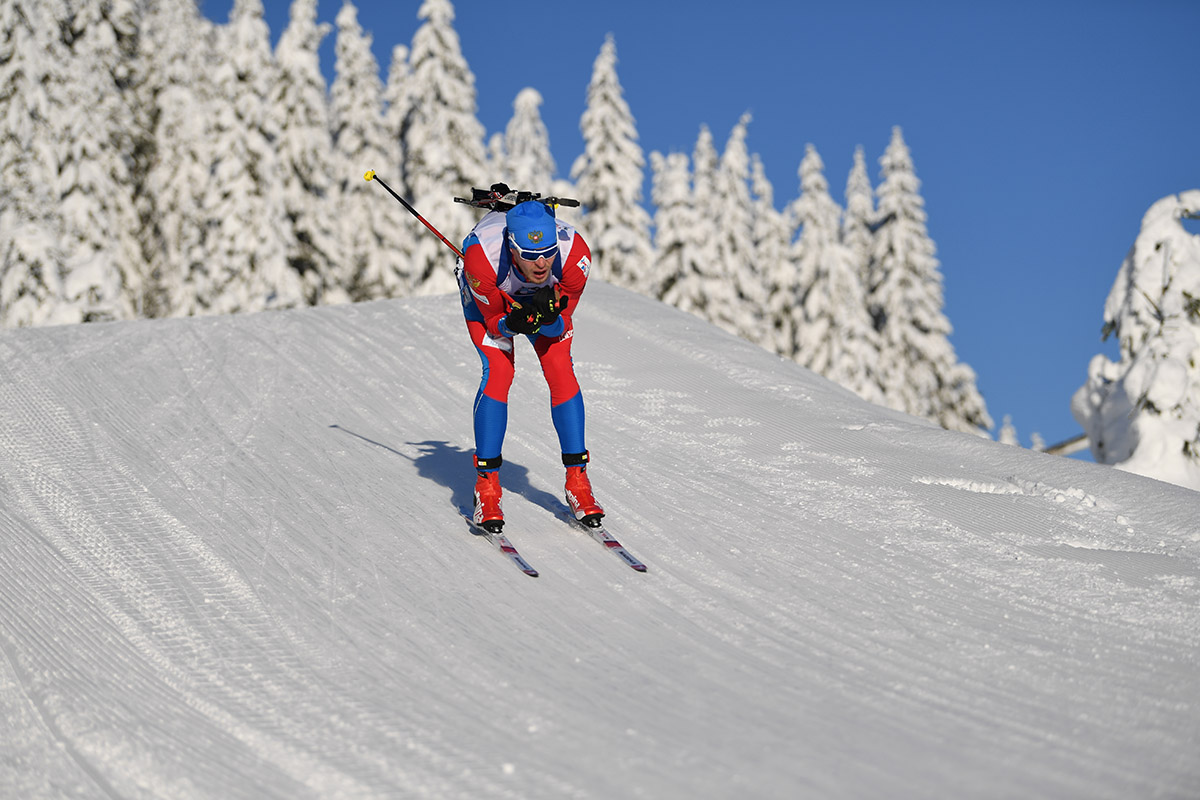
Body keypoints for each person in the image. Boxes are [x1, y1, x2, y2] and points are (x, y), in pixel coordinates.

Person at [456, 196, 604, 532]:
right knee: (499, 372)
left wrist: (547, 316)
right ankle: (487, 487)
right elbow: (493, 322)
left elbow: (561, 324)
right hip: (492, 298)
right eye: (529, 256)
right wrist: (513, 323)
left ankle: (578, 482)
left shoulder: (574, 254)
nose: (541, 265)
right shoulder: (482, 257)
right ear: (511, 247)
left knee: (560, 370)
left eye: (547, 253)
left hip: (533, 301)